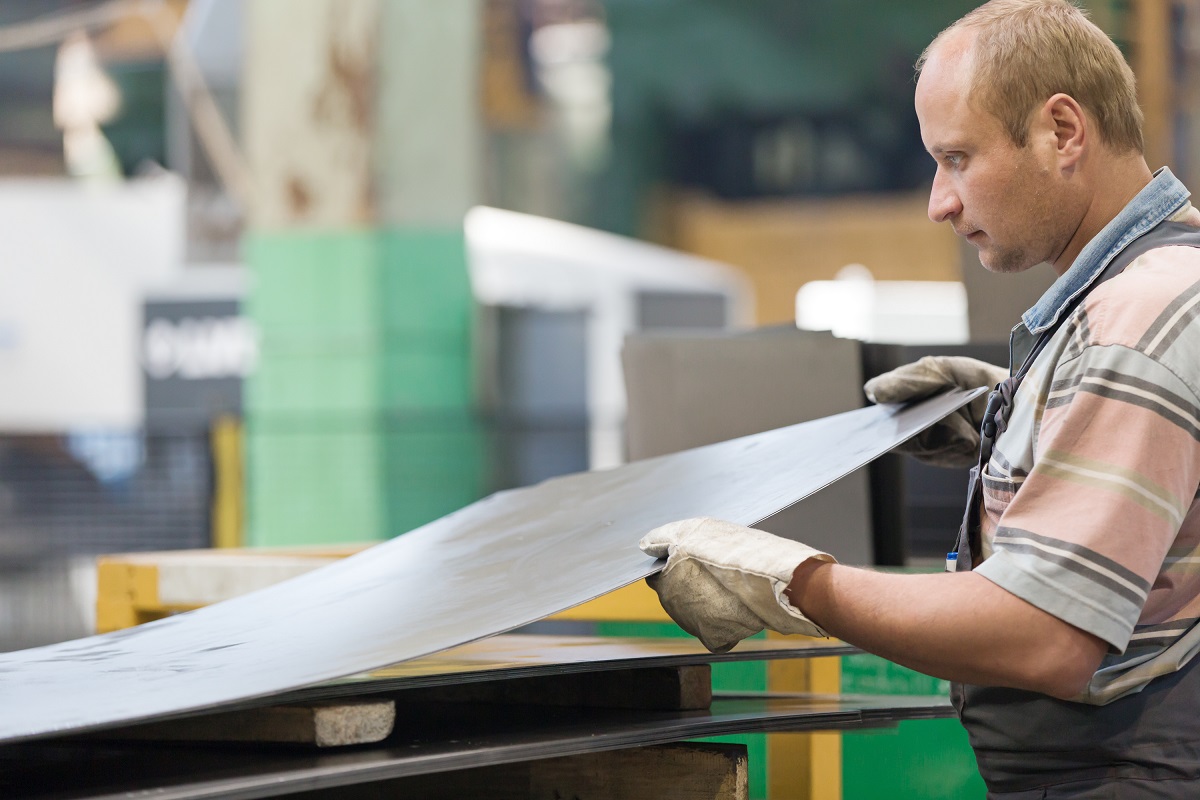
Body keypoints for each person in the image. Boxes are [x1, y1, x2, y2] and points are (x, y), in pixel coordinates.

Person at [639, 1, 1200, 796]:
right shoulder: (1150, 293)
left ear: (1064, 132)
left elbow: (1046, 634)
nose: (940, 201)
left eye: (959, 158)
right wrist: (1015, 423)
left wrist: (791, 582)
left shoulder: (1135, 319)